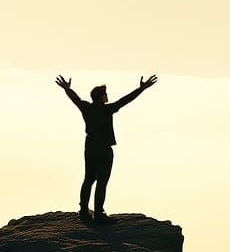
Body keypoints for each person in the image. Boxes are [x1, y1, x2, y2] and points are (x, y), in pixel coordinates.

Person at [55, 73, 158, 224]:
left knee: (88, 179)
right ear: (101, 97)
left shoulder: (87, 108)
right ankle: (98, 213)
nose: (107, 96)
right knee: (102, 181)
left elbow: (75, 99)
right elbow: (125, 100)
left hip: (90, 146)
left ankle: (83, 210)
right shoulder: (107, 109)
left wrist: (66, 89)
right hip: (103, 149)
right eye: (105, 94)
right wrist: (141, 89)